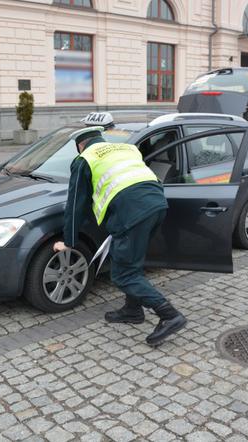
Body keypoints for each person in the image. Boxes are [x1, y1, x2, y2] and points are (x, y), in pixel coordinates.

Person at [53, 127, 187, 346]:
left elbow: (76, 204)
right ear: (100, 138)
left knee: (123, 274)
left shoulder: (84, 159)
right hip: (157, 205)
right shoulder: (127, 149)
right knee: (132, 262)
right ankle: (133, 310)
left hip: (132, 214)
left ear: (80, 145)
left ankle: (169, 315)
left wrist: (68, 242)